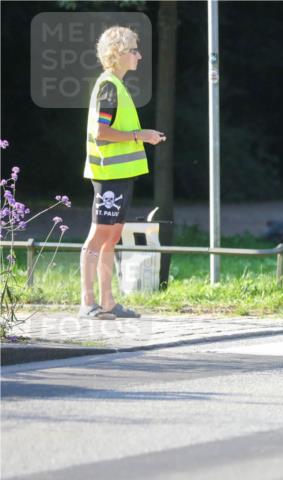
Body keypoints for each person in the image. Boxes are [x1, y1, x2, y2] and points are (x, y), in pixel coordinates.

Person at [80, 26, 165, 319]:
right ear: (118, 54)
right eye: (134, 50)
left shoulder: (115, 85)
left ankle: (107, 303)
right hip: (108, 176)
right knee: (99, 236)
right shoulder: (108, 87)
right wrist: (141, 135)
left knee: (112, 237)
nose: (139, 56)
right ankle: (88, 302)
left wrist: (143, 136)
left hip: (121, 175)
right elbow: (102, 132)